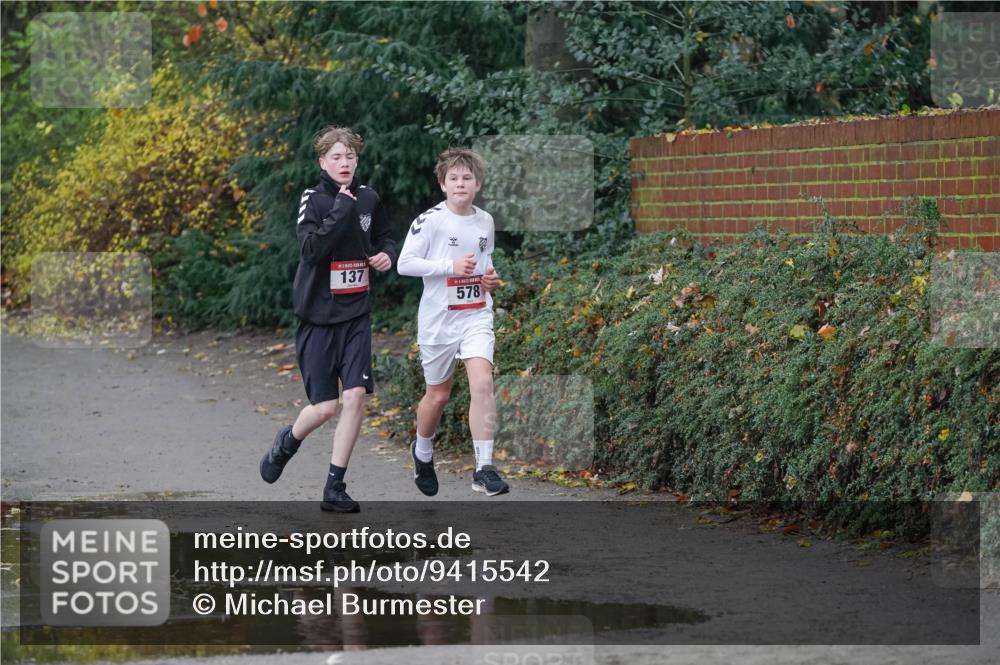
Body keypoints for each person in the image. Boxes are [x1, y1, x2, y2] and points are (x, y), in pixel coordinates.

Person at [260, 126, 396, 513]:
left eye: (351, 156)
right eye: (337, 157)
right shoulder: (314, 199)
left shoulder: (369, 198)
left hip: (356, 315)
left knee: (355, 396)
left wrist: (386, 254)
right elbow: (310, 251)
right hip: (317, 320)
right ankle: (287, 442)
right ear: (323, 162)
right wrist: (341, 206)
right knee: (325, 408)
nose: (345, 162)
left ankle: (334, 486)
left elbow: (384, 237)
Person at [397, 147, 509, 497]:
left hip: (476, 313)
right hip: (438, 321)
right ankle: (423, 451)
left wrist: (488, 280)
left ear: (478, 184)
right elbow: (405, 264)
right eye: (454, 178)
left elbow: (484, 264)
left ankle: (484, 467)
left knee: (483, 382)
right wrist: (448, 266)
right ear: (443, 184)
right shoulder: (429, 221)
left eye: (467, 178)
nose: (461, 184)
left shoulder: (485, 221)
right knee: (438, 396)